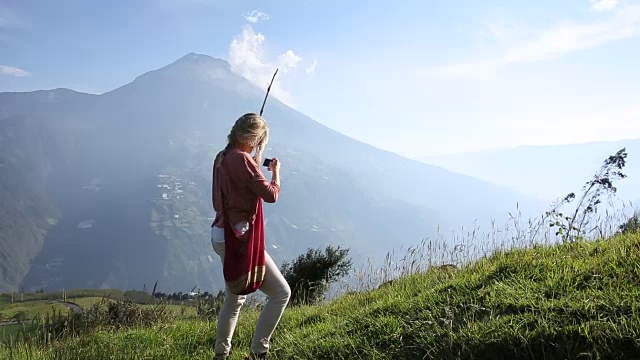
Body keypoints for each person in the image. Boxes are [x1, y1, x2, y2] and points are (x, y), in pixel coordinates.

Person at [210, 113, 291, 360]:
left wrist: (254, 162)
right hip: (240, 239)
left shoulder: (222, 157)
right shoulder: (243, 160)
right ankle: (259, 352)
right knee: (281, 293)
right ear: (254, 138)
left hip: (221, 233)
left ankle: (221, 355)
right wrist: (275, 173)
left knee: (234, 300)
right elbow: (270, 195)